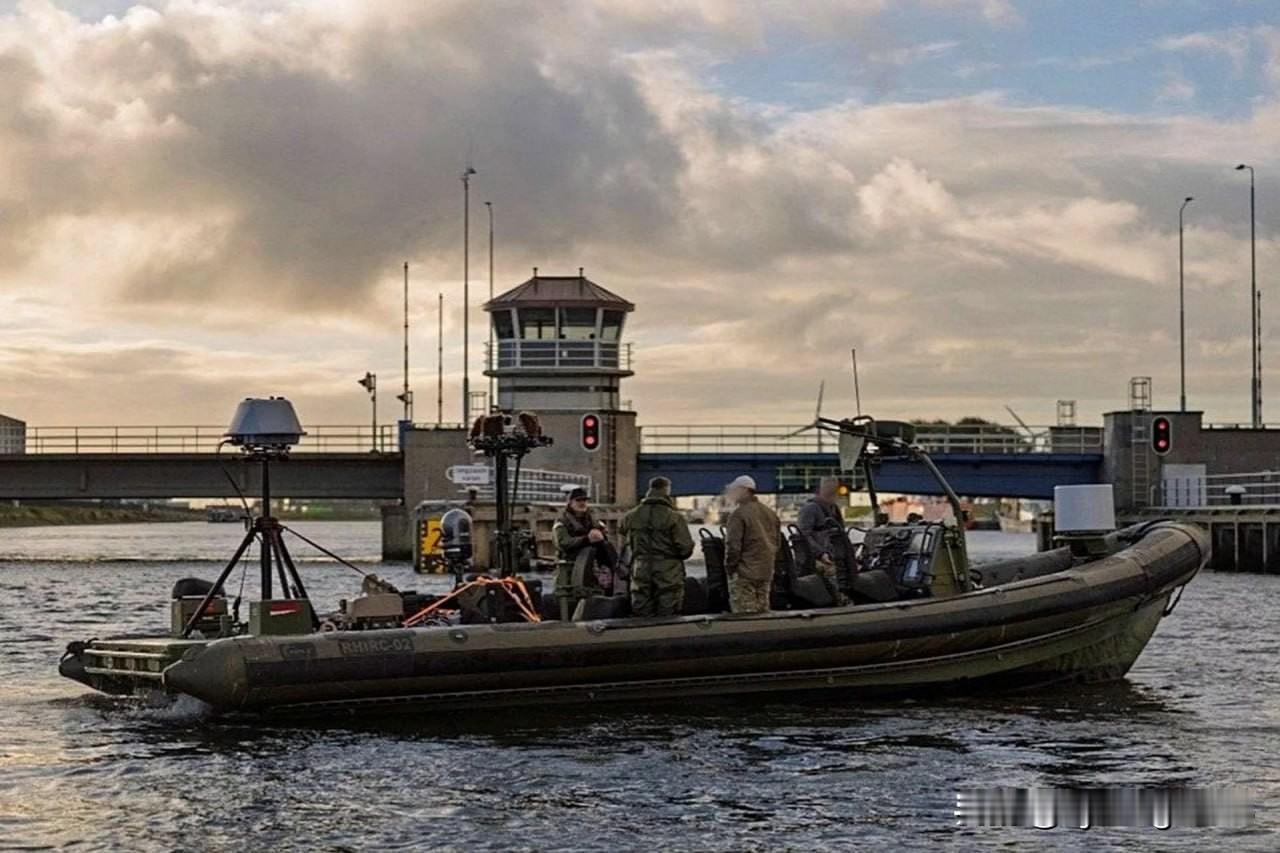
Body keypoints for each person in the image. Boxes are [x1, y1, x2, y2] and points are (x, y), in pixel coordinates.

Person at [620, 476, 695, 617]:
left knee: (640, 606)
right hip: (668, 570)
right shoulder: (674, 517)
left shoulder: (630, 516)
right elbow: (685, 548)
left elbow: (622, 530)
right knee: (669, 609)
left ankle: (643, 635)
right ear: (667, 489)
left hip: (640, 567)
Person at [723, 475, 781, 614]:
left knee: (744, 616)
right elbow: (777, 543)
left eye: (734, 489)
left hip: (744, 574)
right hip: (765, 571)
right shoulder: (770, 513)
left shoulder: (738, 514)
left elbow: (733, 546)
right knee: (763, 614)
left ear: (744, 490)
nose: (731, 493)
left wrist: (730, 568)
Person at [553, 487, 607, 620]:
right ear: (570, 502)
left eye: (584, 500)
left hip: (590, 569)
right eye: (578, 500)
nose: (582, 503)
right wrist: (586, 539)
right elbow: (563, 543)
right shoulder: (562, 523)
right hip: (569, 568)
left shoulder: (592, 521)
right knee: (569, 601)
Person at [796, 477, 851, 606]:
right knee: (831, 573)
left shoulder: (834, 509)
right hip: (816, 557)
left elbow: (840, 533)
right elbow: (804, 536)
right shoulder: (810, 509)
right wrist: (820, 553)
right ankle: (837, 600)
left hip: (834, 554)